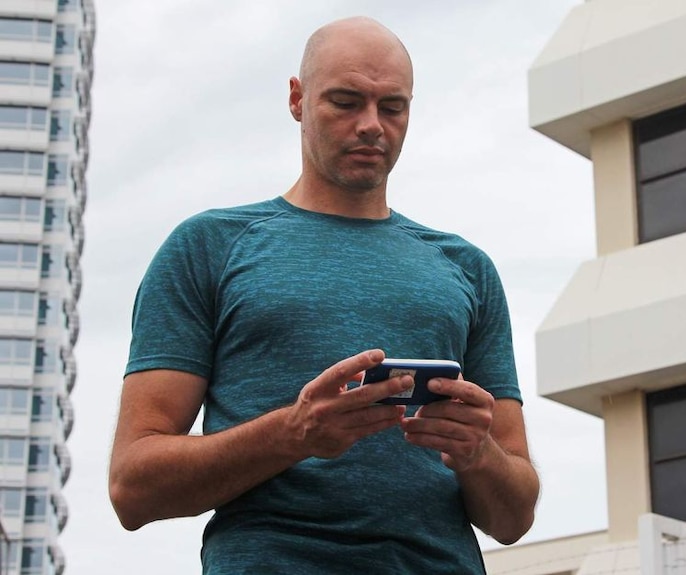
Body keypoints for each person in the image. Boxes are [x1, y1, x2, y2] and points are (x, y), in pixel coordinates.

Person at [108, 16, 540, 574]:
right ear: (297, 99)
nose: (371, 125)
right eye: (345, 101)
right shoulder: (209, 248)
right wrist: (297, 431)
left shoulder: (465, 268)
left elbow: (514, 519)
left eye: (392, 107)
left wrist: (477, 451)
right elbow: (132, 487)